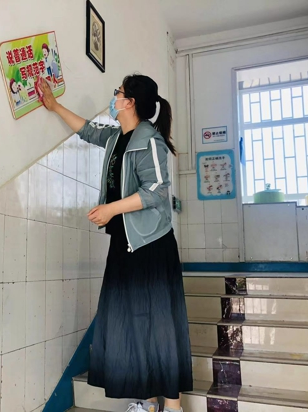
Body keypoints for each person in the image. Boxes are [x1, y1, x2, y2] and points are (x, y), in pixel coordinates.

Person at [40, 74, 193, 412]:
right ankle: (148, 402)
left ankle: (173, 405)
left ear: (130, 102)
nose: (114, 98)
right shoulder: (116, 138)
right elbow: (87, 130)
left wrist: (111, 209)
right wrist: (54, 106)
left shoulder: (149, 141)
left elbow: (156, 191)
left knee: (159, 323)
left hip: (151, 245)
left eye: (118, 93)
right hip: (125, 243)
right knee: (135, 321)